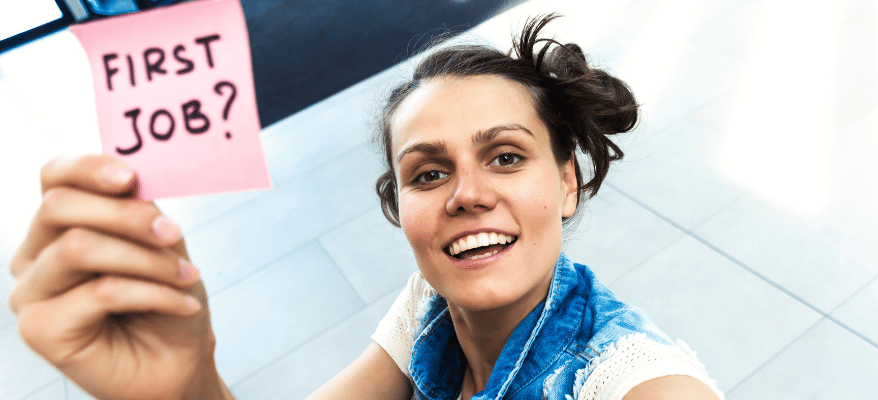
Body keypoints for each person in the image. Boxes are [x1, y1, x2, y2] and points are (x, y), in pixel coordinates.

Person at [7, 14, 723, 400]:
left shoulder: (628, 379)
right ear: (399, 207)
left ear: (567, 182)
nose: (467, 194)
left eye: (505, 156)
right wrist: (181, 387)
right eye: (428, 173)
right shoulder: (429, 308)